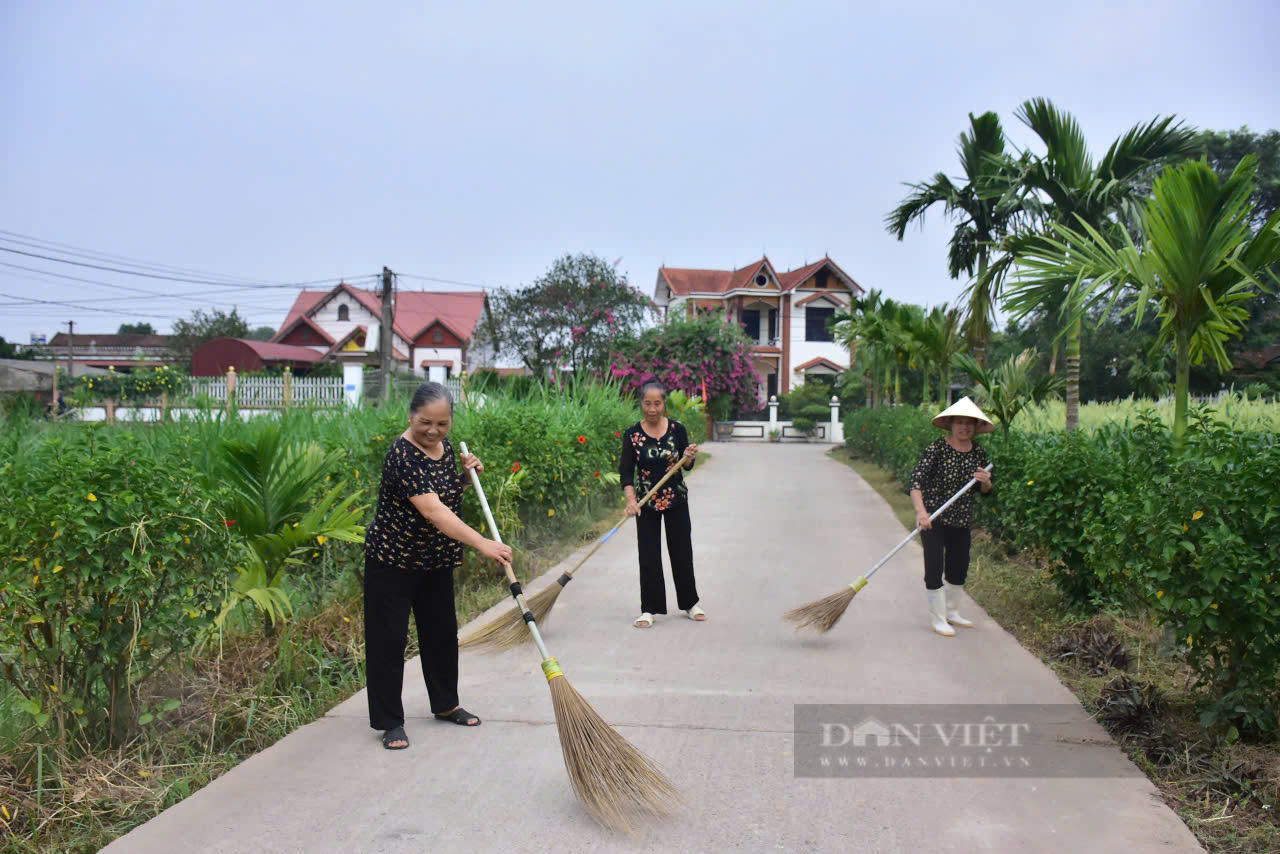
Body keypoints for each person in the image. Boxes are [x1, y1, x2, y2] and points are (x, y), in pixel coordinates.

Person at [362, 382, 513, 750]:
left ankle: (446, 704)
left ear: (450, 421)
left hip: (435, 560)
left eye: (442, 424)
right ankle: (390, 721)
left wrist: (466, 476)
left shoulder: (444, 449)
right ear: (411, 415)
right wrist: (483, 543)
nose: (433, 431)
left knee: (442, 635)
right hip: (393, 561)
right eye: (425, 423)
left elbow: (444, 492)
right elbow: (433, 511)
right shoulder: (401, 455)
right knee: (389, 641)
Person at [907, 396, 994, 637]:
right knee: (934, 567)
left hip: (961, 519)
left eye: (969, 423)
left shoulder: (978, 453)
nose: (964, 427)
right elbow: (916, 483)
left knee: (959, 566)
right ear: (951, 424)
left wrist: (985, 483)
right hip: (933, 518)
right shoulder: (937, 449)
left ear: (976, 427)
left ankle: (952, 612)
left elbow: (984, 491)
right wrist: (921, 512)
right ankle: (938, 618)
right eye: (960, 422)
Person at [619, 381, 703, 628]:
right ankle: (649, 609)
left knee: (681, 551)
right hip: (646, 503)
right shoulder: (632, 434)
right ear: (641, 403)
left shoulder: (678, 430)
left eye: (657, 403)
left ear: (664, 403)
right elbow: (626, 471)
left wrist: (688, 458)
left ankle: (690, 603)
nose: (652, 409)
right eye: (647, 403)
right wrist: (631, 500)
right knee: (648, 555)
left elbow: (686, 467)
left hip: (676, 499)